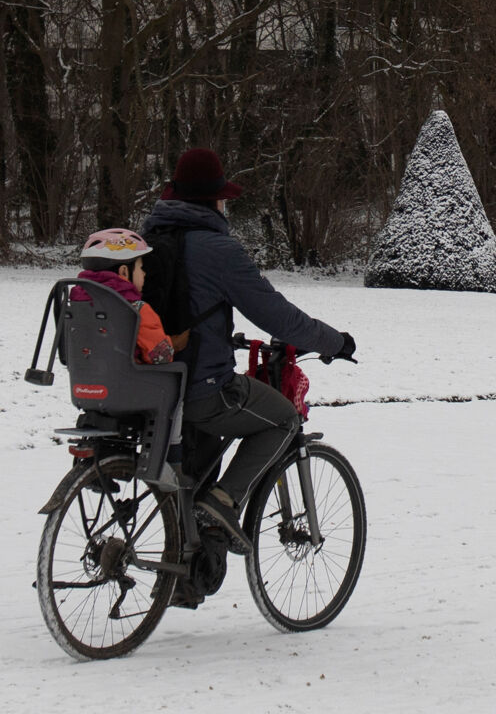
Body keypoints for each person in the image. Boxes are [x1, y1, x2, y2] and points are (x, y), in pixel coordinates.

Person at [140, 148, 356, 553]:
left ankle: (186, 565)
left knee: (195, 464)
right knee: (284, 419)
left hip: (153, 389)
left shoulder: (148, 239)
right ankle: (222, 503)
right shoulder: (219, 251)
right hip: (202, 391)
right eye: (223, 197)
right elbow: (279, 318)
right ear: (213, 201)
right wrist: (335, 341)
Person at [73, 229, 175, 365]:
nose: (144, 274)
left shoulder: (75, 304)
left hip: (85, 380)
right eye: (141, 268)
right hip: (131, 382)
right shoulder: (136, 309)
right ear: (124, 271)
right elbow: (162, 356)